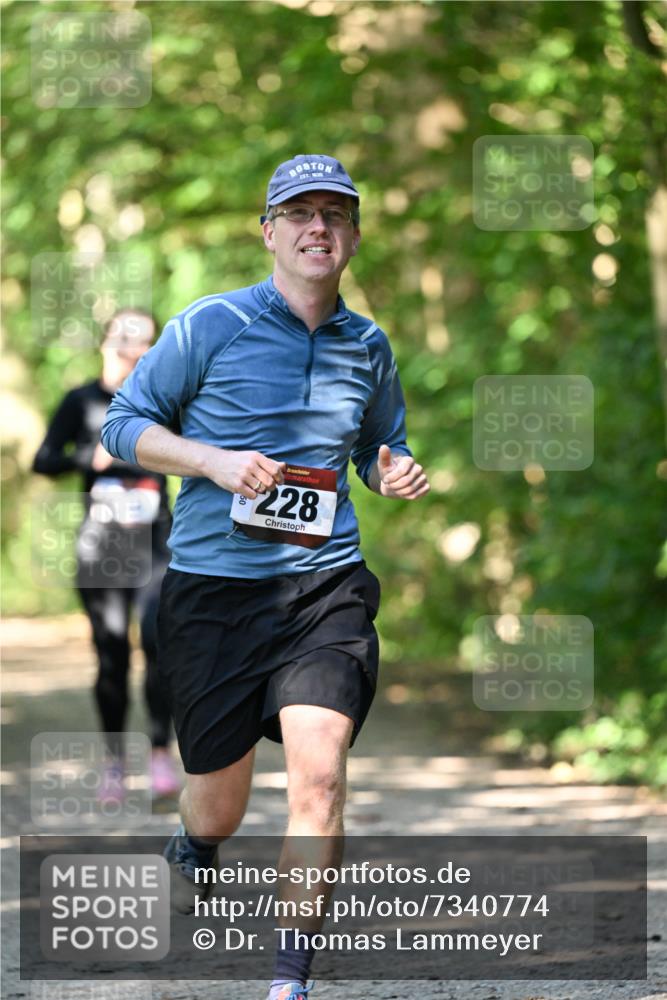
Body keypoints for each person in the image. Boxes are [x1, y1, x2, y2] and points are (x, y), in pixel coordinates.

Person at [101, 154, 429, 1000]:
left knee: (319, 775)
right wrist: (208, 461)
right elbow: (122, 424)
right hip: (215, 593)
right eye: (300, 212)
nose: (318, 227)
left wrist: (391, 469)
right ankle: (198, 842)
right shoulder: (211, 324)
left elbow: (374, 446)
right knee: (218, 805)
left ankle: (290, 982)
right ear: (270, 230)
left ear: (352, 235)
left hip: (326, 588)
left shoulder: (368, 344)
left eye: (336, 214)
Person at [33, 308, 181, 801]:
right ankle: (115, 761)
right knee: (112, 654)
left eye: (145, 342)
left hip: (158, 540)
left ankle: (161, 754)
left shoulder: (164, 400)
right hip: (104, 546)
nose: (133, 349)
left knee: (160, 644)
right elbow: (44, 460)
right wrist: (89, 457)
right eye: (125, 338)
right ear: (105, 343)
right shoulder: (82, 401)